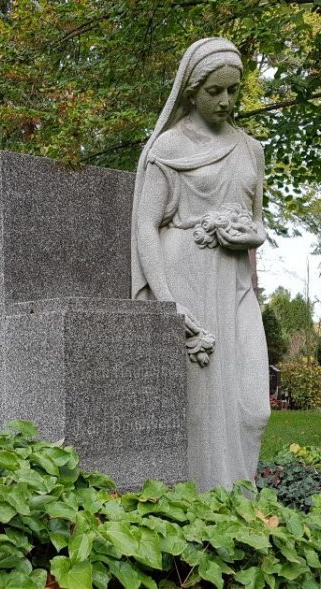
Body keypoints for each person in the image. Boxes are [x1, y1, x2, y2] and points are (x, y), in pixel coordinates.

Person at [131, 37, 270, 491]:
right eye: (215, 92)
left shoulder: (251, 150)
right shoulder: (168, 148)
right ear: (192, 91)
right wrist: (168, 303)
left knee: (254, 408)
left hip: (235, 284)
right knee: (202, 407)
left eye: (234, 90)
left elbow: (257, 224)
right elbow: (146, 225)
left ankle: (239, 503)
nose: (227, 101)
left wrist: (252, 234)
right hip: (185, 278)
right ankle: (204, 511)